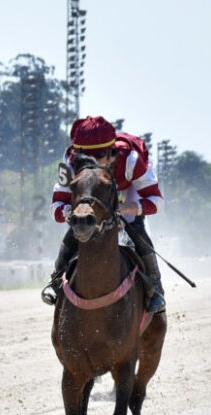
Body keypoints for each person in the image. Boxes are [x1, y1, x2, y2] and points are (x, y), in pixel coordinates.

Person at [42, 115, 166, 312]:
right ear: (77, 153)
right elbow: (57, 206)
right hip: (89, 195)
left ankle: (156, 288)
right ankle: (56, 281)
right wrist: (71, 214)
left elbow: (156, 203)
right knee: (75, 231)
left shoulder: (131, 160)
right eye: (85, 157)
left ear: (111, 153)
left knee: (136, 229)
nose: (92, 164)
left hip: (127, 191)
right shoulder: (69, 160)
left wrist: (125, 209)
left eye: (99, 156)